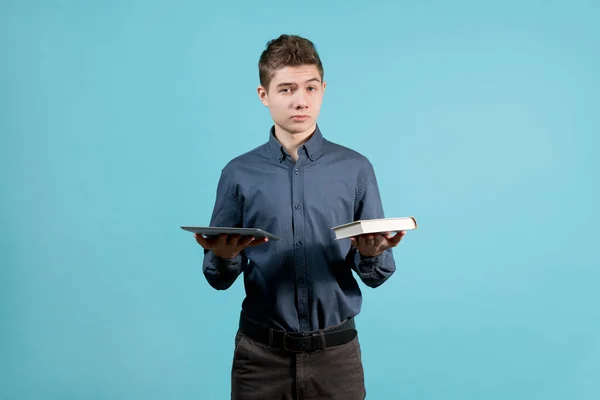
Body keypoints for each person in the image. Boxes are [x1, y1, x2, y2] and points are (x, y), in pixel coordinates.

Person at [194, 34, 407, 400]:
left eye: (310, 87)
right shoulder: (238, 173)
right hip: (260, 359)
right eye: (287, 89)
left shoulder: (355, 169)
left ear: (323, 89)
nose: (300, 100)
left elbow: (376, 274)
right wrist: (224, 256)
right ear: (264, 95)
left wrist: (372, 254)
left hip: (336, 358)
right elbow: (218, 276)